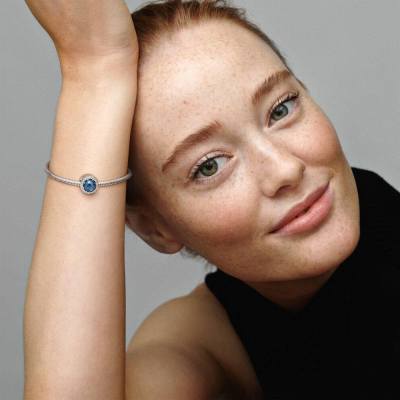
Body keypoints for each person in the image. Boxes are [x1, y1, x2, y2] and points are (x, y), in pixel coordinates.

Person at [23, 0, 399, 399]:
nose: (285, 170)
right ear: (154, 228)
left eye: (280, 109)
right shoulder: (206, 341)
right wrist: (94, 72)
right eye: (209, 166)